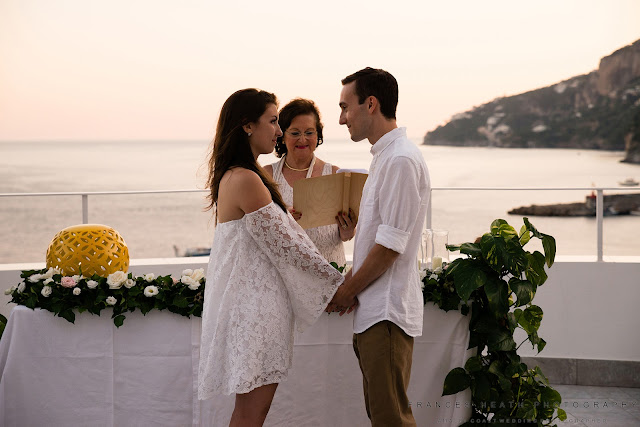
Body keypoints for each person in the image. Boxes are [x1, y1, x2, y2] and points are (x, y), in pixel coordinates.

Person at [198, 88, 345, 427]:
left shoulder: (239, 174)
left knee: (250, 412)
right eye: (274, 121)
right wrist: (337, 287)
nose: (279, 132)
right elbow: (289, 247)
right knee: (252, 414)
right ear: (248, 126)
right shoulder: (248, 178)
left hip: (253, 308)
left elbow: (273, 235)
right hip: (256, 313)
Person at [329, 68, 431, 426]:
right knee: (382, 416)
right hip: (375, 310)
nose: (341, 119)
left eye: (345, 107)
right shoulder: (385, 157)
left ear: (370, 104)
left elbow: (390, 248)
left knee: (391, 419)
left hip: (386, 312)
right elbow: (379, 239)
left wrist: (347, 292)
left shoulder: (400, 159)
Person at [264, 98, 355, 266]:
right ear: (282, 136)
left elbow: (346, 235)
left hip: (329, 270)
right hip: (286, 275)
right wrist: (282, 221)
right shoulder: (267, 176)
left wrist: (348, 230)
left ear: (318, 135)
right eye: (295, 133)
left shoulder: (335, 174)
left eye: (309, 132)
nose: (303, 140)